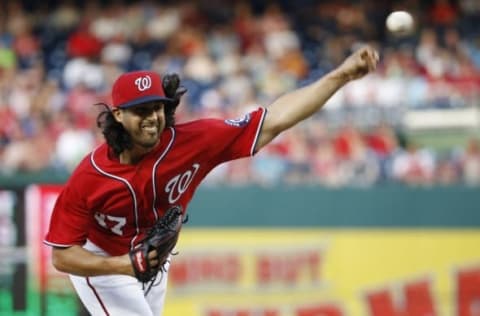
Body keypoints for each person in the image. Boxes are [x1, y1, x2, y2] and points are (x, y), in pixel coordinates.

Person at [44, 45, 379, 316]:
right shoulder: (90, 177)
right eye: (141, 110)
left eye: (157, 108)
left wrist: (343, 74)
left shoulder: (194, 141)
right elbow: (62, 256)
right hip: (103, 263)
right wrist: (123, 265)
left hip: (154, 260)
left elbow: (274, 121)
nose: (152, 118)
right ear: (118, 115)